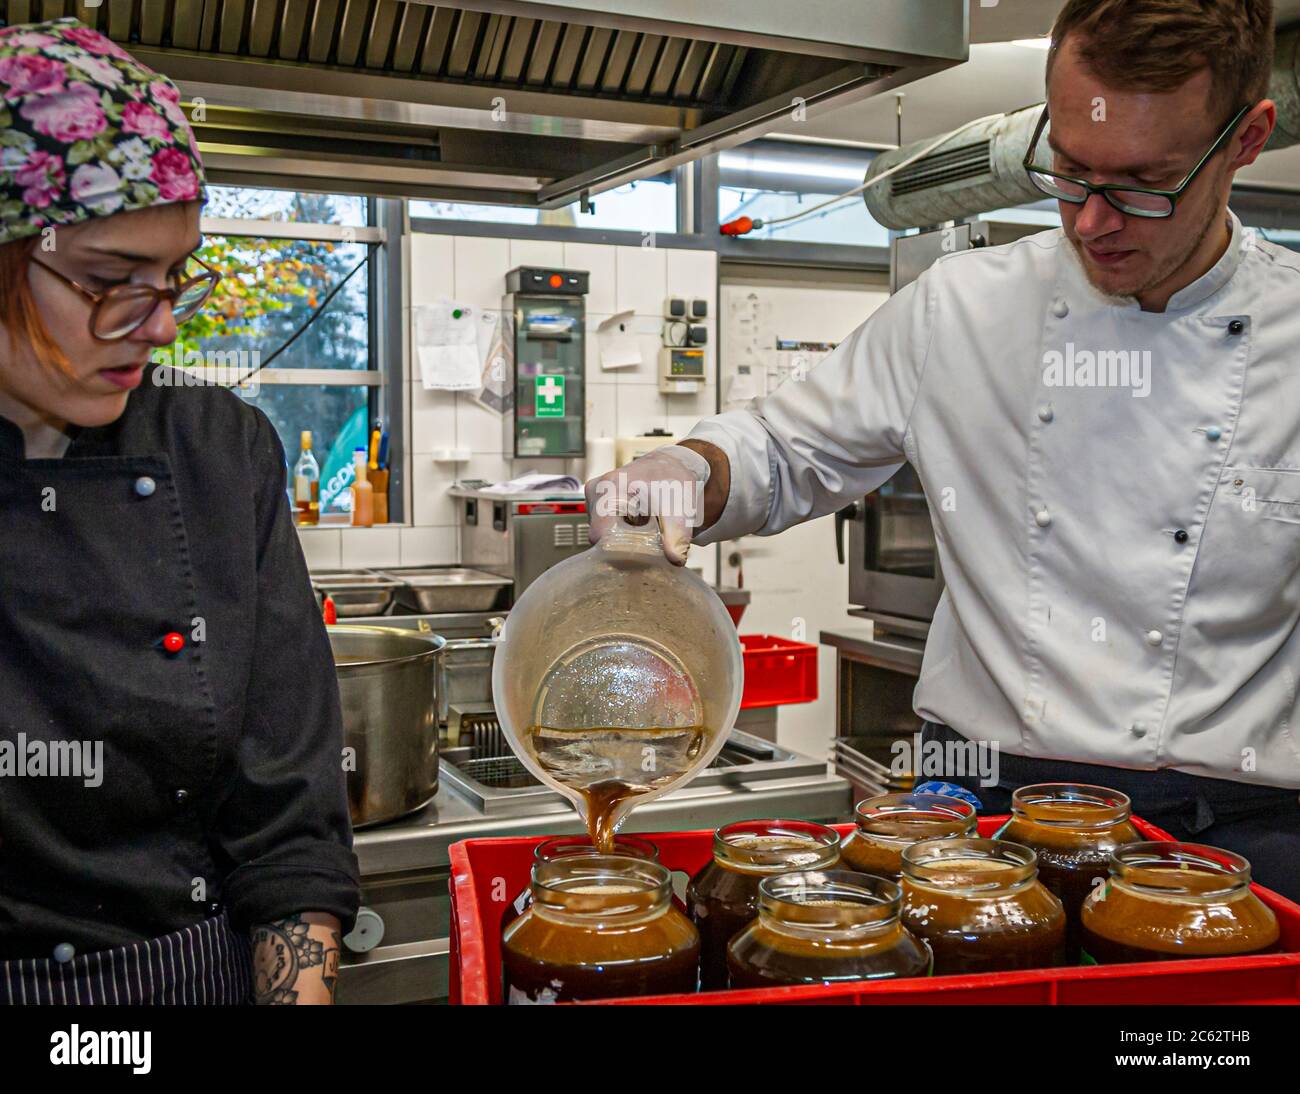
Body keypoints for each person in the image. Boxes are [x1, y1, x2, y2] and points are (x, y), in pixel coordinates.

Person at [587, 0, 1300, 901]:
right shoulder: (960, 308)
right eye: (1070, 174)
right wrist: (690, 468)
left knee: (1183, 1052)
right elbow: (782, 446)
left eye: (1143, 185)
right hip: (985, 807)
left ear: (1245, 141)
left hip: (1232, 834)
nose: (1090, 223)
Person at [0, 19, 359, 1003]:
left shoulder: (218, 453)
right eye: (112, 281)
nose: (157, 323)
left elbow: (285, 813)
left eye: (169, 277)